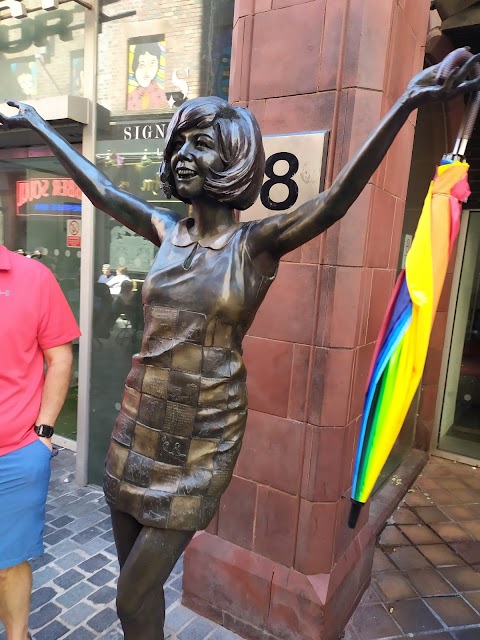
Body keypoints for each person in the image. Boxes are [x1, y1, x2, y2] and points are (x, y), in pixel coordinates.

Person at [0, 49, 479, 640]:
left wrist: (407, 100)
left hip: (203, 433)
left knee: (132, 595)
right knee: (137, 593)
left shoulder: (256, 246)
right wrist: (41, 126)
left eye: (198, 145)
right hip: (137, 422)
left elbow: (334, 200)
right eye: (179, 146)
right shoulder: (164, 231)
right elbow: (99, 188)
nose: (182, 156)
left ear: (230, 160)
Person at [0, 246, 81, 640]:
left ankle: (18, 636)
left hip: (15, 453)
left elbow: (60, 358)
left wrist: (44, 434)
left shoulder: (33, 278)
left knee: (9, 562)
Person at [127, 41, 168, 111]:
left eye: (152, 64)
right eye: (142, 65)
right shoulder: (131, 97)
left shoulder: (161, 96)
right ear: (135, 66)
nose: (147, 71)